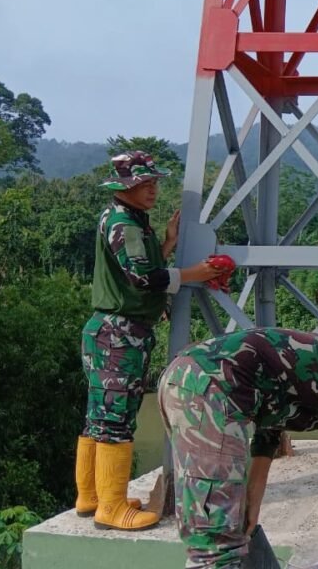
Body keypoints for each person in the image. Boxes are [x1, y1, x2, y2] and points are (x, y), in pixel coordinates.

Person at [159, 328, 318, 569]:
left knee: (232, 522)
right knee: (215, 539)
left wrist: (254, 496)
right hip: (211, 391)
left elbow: (271, 416)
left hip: (190, 379)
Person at [77, 151, 223, 531]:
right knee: (115, 419)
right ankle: (111, 508)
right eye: (145, 184)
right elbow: (144, 278)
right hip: (119, 333)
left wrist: (168, 244)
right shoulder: (125, 224)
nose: (152, 190)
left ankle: (92, 497)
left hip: (110, 330)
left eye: (154, 183)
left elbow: (140, 267)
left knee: (100, 415)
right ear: (126, 188)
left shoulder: (126, 220)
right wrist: (195, 272)